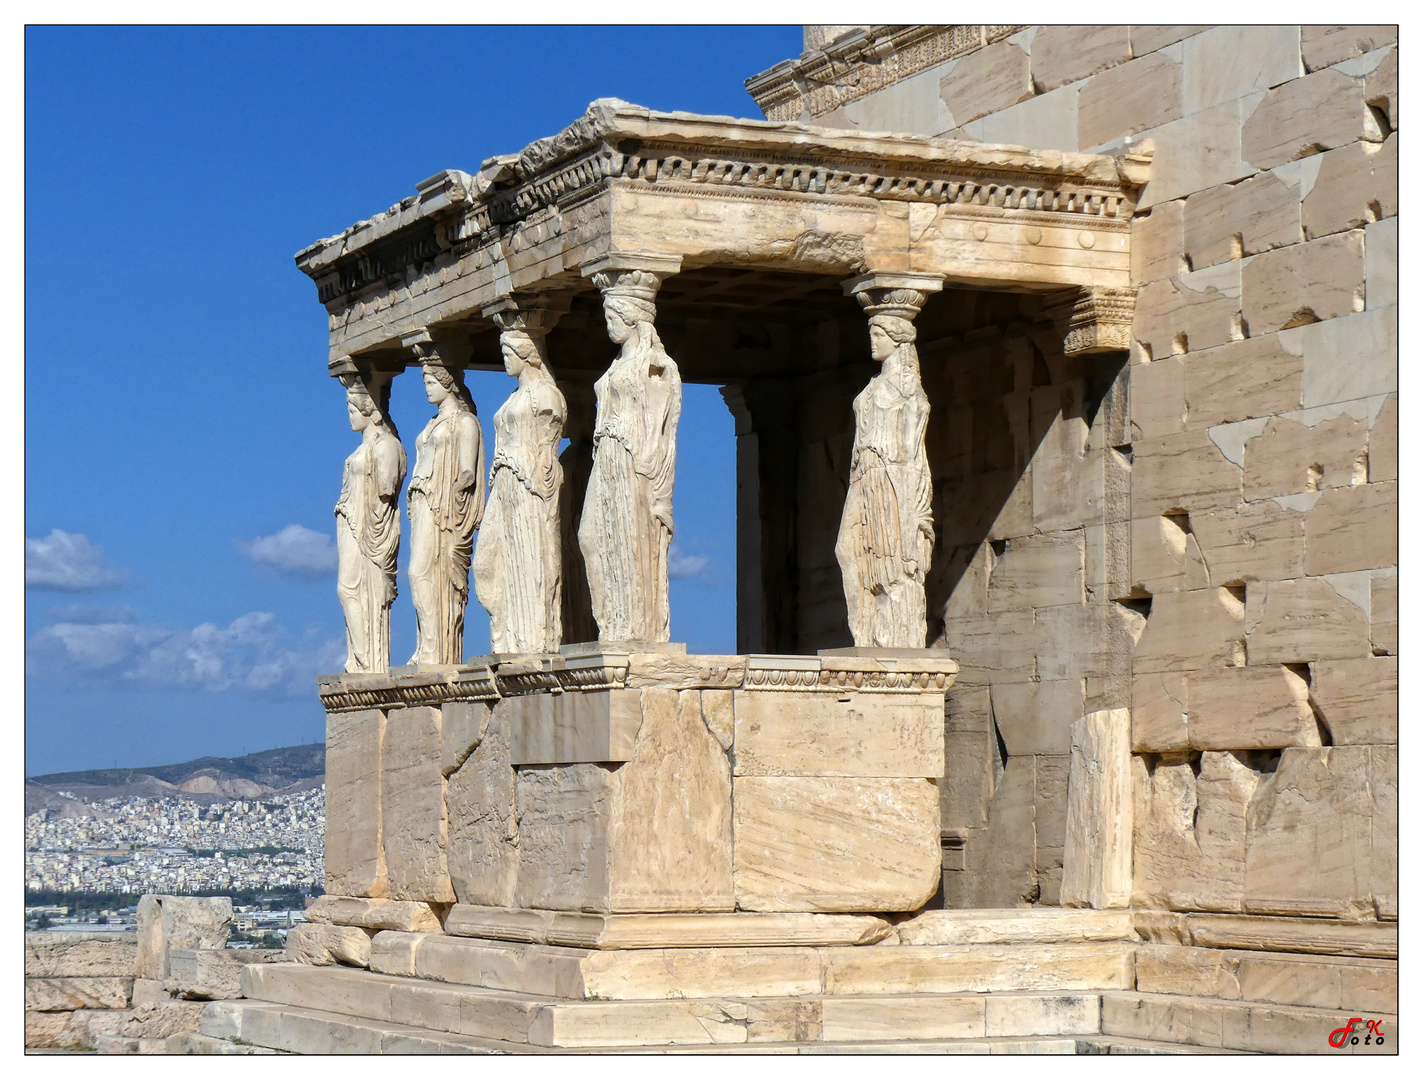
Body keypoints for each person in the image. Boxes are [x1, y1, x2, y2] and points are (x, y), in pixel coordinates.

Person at [578, 271, 681, 643]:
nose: (607, 326)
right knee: (590, 536)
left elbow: (659, 429)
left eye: (612, 317)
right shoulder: (616, 366)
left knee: (628, 543)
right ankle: (613, 625)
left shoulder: (656, 366)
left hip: (631, 463)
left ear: (631, 318)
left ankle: (633, 629)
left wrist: (650, 480)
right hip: (606, 458)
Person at [835, 306, 934, 648]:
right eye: (873, 335)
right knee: (846, 552)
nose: (873, 342)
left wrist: (910, 514)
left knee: (892, 565)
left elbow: (911, 453)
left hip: (891, 480)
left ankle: (894, 640)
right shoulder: (874, 384)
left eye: (879, 336)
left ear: (897, 340)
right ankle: (864, 635)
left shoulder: (910, 391)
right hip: (865, 475)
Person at [473, 328, 567, 654]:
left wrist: (540, 479)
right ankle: (506, 637)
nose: (504, 358)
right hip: (503, 484)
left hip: (528, 486)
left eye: (509, 352)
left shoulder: (545, 395)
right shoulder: (514, 396)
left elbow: (549, 445)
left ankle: (530, 642)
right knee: (486, 563)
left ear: (527, 353)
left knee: (531, 559)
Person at [407, 362, 484, 665]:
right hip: (422, 502)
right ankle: (426, 645)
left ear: (447, 382)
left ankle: (435, 649)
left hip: (443, 508)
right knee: (419, 573)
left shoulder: (464, 422)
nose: (427, 387)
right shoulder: (431, 423)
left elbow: (468, 472)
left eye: (430, 381)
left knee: (421, 571)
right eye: (424, 381)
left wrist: (451, 496)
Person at [334, 378, 406, 672]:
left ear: (370, 409)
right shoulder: (361, 450)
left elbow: (386, 488)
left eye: (354, 407)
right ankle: (359, 658)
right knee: (347, 590)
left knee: (355, 590)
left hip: (370, 529)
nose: (350, 413)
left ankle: (369, 662)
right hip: (350, 525)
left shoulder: (386, 445)